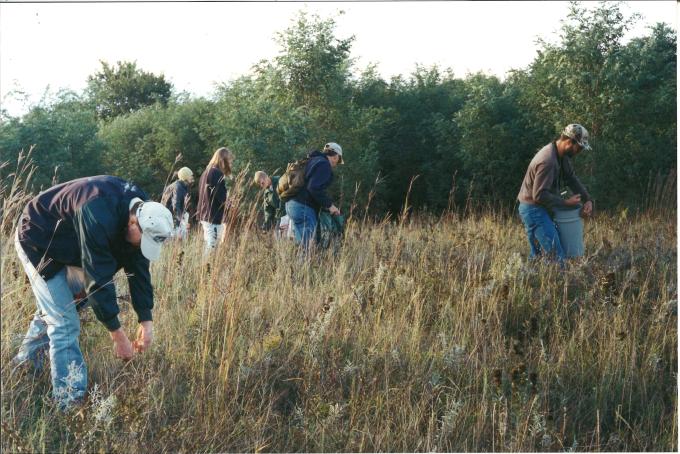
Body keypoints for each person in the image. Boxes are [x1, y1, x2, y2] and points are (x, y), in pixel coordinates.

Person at [12, 175, 174, 409]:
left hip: (73, 246)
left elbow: (139, 269)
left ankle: (24, 365)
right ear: (132, 223)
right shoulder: (97, 213)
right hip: (38, 238)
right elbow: (98, 279)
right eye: (143, 240)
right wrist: (118, 336)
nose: (142, 246)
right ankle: (70, 403)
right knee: (64, 322)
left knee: (59, 310)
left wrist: (146, 319)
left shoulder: (147, 212)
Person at [517, 123, 593, 264]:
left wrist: (587, 199)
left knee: (539, 257)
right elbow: (539, 195)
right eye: (580, 148)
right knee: (557, 258)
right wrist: (565, 202)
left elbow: (571, 179)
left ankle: (533, 279)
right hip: (533, 210)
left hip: (539, 208)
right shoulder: (548, 161)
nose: (579, 152)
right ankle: (560, 282)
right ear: (570, 142)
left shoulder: (561, 156)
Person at [285, 142, 343, 251]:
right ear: (335, 157)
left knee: (302, 245)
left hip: (291, 204)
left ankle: (297, 267)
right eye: (338, 160)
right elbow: (314, 188)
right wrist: (330, 206)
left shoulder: (312, 160)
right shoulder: (324, 165)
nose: (336, 164)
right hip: (303, 207)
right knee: (306, 248)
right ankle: (302, 267)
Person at [197, 147, 234, 254]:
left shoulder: (206, 172)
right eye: (229, 160)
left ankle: (206, 268)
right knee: (211, 246)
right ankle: (205, 268)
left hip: (206, 214)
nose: (230, 163)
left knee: (210, 244)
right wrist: (230, 202)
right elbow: (221, 196)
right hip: (212, 216)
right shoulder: (216, 173)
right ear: (223, 159)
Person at [161, 166, 194, 239]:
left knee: (182, 239)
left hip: (175, 218)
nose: (192, 177)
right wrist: (183, 221)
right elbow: (175, 206)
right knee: (177, 240)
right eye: (190, 176)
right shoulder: (178, 187)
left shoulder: (184, 186)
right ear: (185, 177)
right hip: (171, 219)